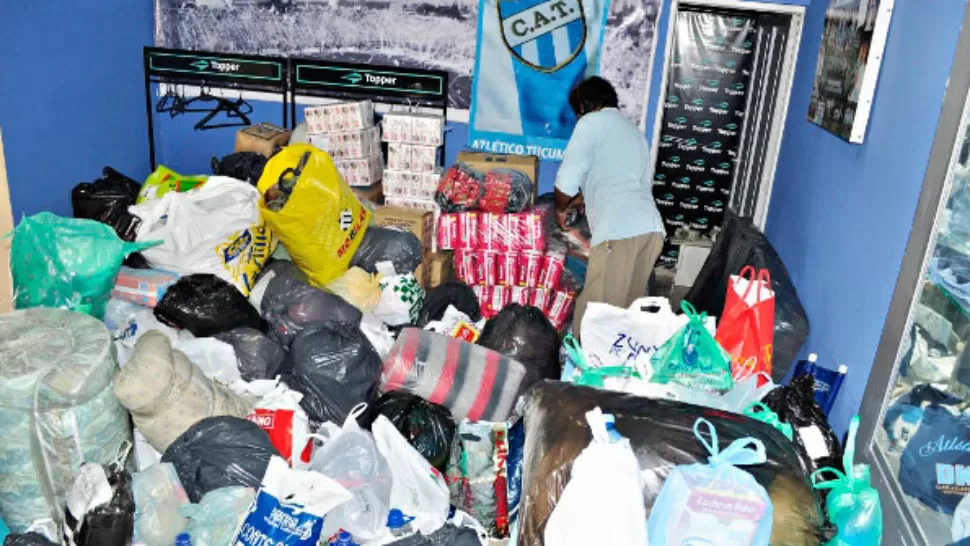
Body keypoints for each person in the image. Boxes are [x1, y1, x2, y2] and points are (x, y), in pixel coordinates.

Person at [554, 76, 665, 340]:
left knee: (594, 316)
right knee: (627, 316)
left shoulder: (591, 123)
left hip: (619, 233)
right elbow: (626, 181)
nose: (578, 117)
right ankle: (617, 376)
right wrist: (581, 201)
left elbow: (566, 180)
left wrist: (561, 209)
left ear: (584, 106)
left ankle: (579, 376)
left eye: (578, 111)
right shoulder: (633, 132)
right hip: (650, 232)